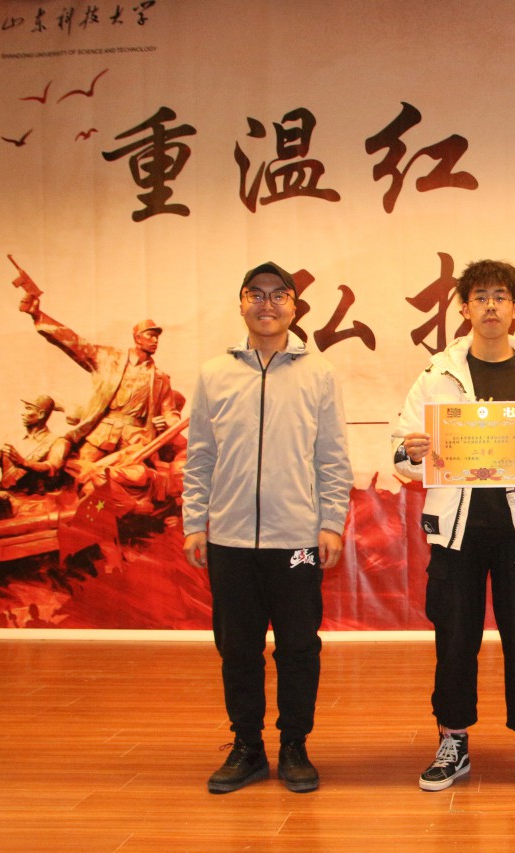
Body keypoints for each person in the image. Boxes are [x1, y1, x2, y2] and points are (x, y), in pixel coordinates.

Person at [393, 259, 515, 794]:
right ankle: (453, 740)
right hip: (456, 531)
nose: (490, 307)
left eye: (500, 297)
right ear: (464, 308)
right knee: (454, 640)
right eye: (480, 297)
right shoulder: (437, 376)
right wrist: (413, 452)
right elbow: (400, 451)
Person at [182, 261, 353, 795]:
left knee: (299, 647)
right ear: (241, 303)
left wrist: (331, 523)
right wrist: (194, 522)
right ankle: (247, 747)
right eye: (255, 294)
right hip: (230, 540)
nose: (267, 304)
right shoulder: (214, 373)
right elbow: (200, 455)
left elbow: (332, 457)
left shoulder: (318, 374)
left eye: (279, 295)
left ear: (294, 307)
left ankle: (295, 745)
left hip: (297, 542)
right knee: (237, 648)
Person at [19, 293, 181, 465]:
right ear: (137, 338)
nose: (155, 340)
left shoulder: (161, 378)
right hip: (102, 432)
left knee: (136, 474)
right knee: (78, 469)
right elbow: (73, 342)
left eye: (157, 337)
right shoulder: (109, 358)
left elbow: (170, 413)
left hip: (135, 438)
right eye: (150, 335)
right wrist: (38, 316)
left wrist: (170, 424)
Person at [0, 395, 64, 496]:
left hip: (36, 500)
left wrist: (24, 463)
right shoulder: (10, 438)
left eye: (28, 408)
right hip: (5, 498)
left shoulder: (57, 441)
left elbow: (51, 468)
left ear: (41, 414)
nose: (22, 413)